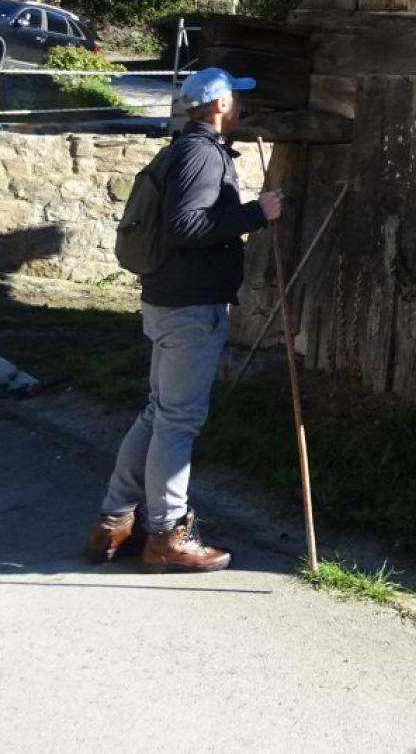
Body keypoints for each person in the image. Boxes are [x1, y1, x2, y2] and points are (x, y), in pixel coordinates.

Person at [83, 67, 281, 572]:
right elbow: (188, 225)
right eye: (234, 97)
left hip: (171, 300)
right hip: (190, 308)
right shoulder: (200, 154)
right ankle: (166, 535)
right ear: (217, 105)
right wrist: (259, 212)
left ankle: (113, 525)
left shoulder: (183, 148)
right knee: (178, 422)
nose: (238, 104)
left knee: (159, 413)